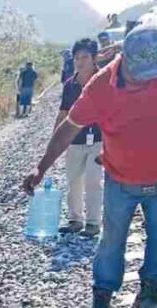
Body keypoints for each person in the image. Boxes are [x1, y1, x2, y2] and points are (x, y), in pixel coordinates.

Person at [24, 25, 157, 308]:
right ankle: (102, 298)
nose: (150, 79)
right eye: (143, 74)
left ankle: (151, 294)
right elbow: (69, 128)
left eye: (155, 72)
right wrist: (42, 166)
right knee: (112, 241)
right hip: (121, 180)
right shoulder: (101, 87)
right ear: (124, 59)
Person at [56, 38, 104, 238]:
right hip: (75, 140)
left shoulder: (104, 80)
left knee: (93, 181)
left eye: (85, 57)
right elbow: (63, 113)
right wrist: (56, 140)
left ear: (94, 59)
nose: (80, 62)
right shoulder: (70, 85)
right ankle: (75, 220)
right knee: (74, 181)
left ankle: (93, 223)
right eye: (77, 58)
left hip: (99, 140)